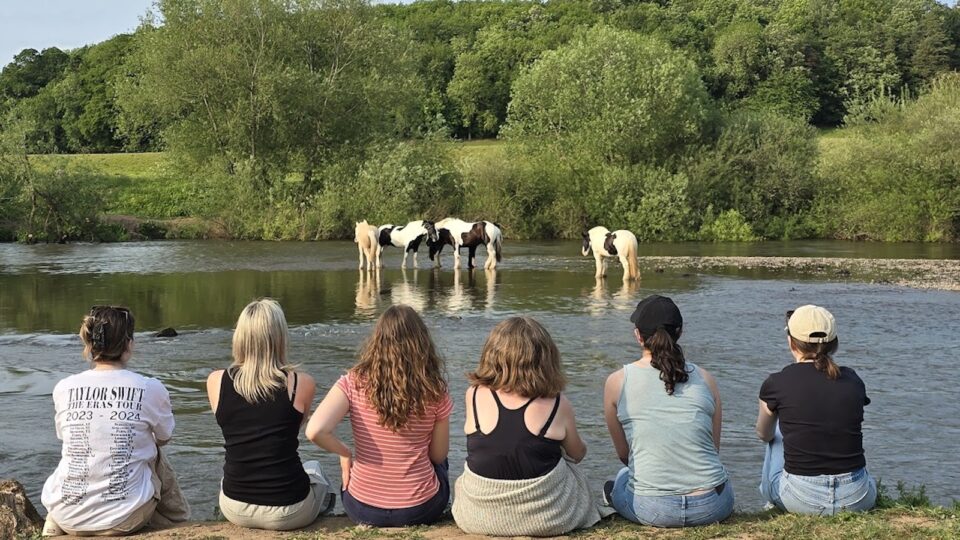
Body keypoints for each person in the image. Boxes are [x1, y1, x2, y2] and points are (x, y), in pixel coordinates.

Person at [41, 306, 190, 536]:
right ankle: (179, 520)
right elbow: (164, 438)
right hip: (123, 519)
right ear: (129, 343)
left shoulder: (64, 387)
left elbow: (63, 435)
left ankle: (57, 521)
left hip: (65, 516)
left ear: (89, 345)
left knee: (78, 449)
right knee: (154, 449)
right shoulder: (150, 388)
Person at [452, 317, 606, 537]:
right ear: (545, 358)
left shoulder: (474, 395)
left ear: (492, 355)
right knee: (569, 468)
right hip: (547, 518)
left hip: (478, 515)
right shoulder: (557, 404)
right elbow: (578, 454)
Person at [306, 304, 451, 527]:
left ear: (377, 341)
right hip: (419, 509)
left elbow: (315, 430)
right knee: (442, 464)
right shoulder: (435, 391)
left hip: (363, 508)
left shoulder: (353, 382)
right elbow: (438, 456)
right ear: (423, 344)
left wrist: (345, 454)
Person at [603, 294, 733, 528]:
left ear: (638, 336)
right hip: (713, 506)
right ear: (680, 332)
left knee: (622, 477)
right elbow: (713, 449)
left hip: (653, 508)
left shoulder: (616, 381)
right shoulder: (706, 379)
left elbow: (624, 454)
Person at [207, 298, 333, 530]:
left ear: (240, 337)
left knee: (229, 473)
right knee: (316, 469)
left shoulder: (216, 381)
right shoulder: (300, 383)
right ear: (280, 337)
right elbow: (292, 429)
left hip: (234, 506)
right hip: (289, 510)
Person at [756, 305, 876, 515]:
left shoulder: (777, 382)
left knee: (774, 433)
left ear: (791, 342)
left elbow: (762, 434)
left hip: (801, 499)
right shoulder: (853, 380)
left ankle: (771, 499)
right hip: (857, 498)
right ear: (834, 343)